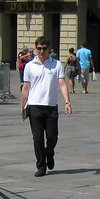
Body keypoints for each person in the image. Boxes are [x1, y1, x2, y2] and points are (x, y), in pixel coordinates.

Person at [20, 37, 72, 177]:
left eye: (44, 48)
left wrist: (67, 102)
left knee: (52, 136)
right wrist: (22, 105)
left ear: (49, 49)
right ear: (36, 49)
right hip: (34, 106)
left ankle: (49, 152)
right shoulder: (30, 66)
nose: (41, 51)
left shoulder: (56, 64)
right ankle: (41, 165)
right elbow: (26, 87)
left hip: (50, 106)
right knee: (37, 138)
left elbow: (62, 84)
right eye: (39, 48)